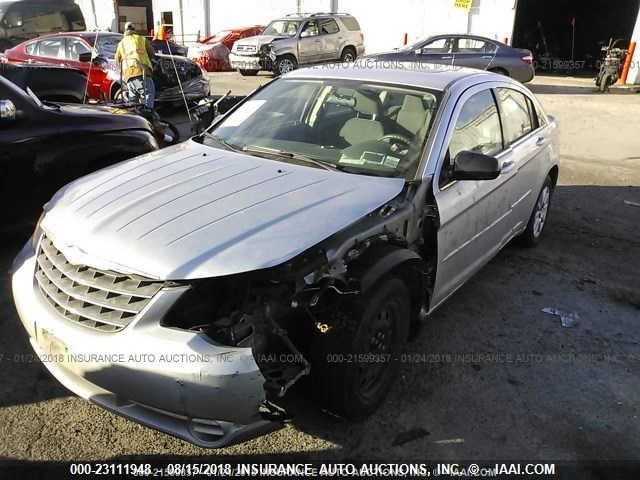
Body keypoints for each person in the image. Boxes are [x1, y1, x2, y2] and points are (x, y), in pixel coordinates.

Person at [115, 22, 156, 109]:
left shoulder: (121, 43)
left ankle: (135, 118)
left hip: (128, 75)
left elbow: (117, 59)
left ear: (125, 31)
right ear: (134, 30)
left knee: (133, 100)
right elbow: (152, 53)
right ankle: (148, 116)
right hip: (142, 72)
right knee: (148, 93)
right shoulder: (141, 39)